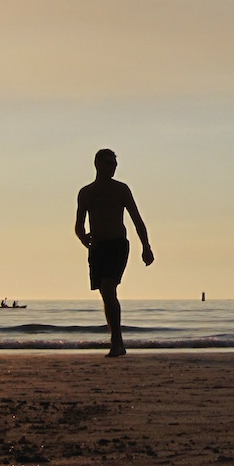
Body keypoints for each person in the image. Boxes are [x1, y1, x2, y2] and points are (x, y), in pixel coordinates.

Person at [75, 148, 154, 357]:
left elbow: (137, 219)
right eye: (109, 163)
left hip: (118, 245)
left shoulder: (121, 190)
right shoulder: (86, 192)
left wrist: (146, 247)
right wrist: (84, 239)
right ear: (98, 165)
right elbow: (79, 225)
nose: (113, 167)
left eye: (115, 163)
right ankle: (117, 341)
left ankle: (116, 342)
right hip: (98, 247)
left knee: (109, 289)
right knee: (105, 293)